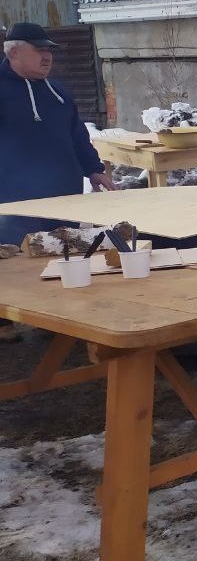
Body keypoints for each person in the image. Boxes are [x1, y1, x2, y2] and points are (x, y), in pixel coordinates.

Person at [1, 22, 116, 343]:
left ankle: (55, 316)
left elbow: (77, 133)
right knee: (12, 255)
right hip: (13, 194)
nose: (47, 56)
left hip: (63, 192)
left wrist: (94, 168)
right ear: (14, 52)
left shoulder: (58, 91)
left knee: (59, 249)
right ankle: (3, 321)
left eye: (49, 49)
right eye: (39, 50)